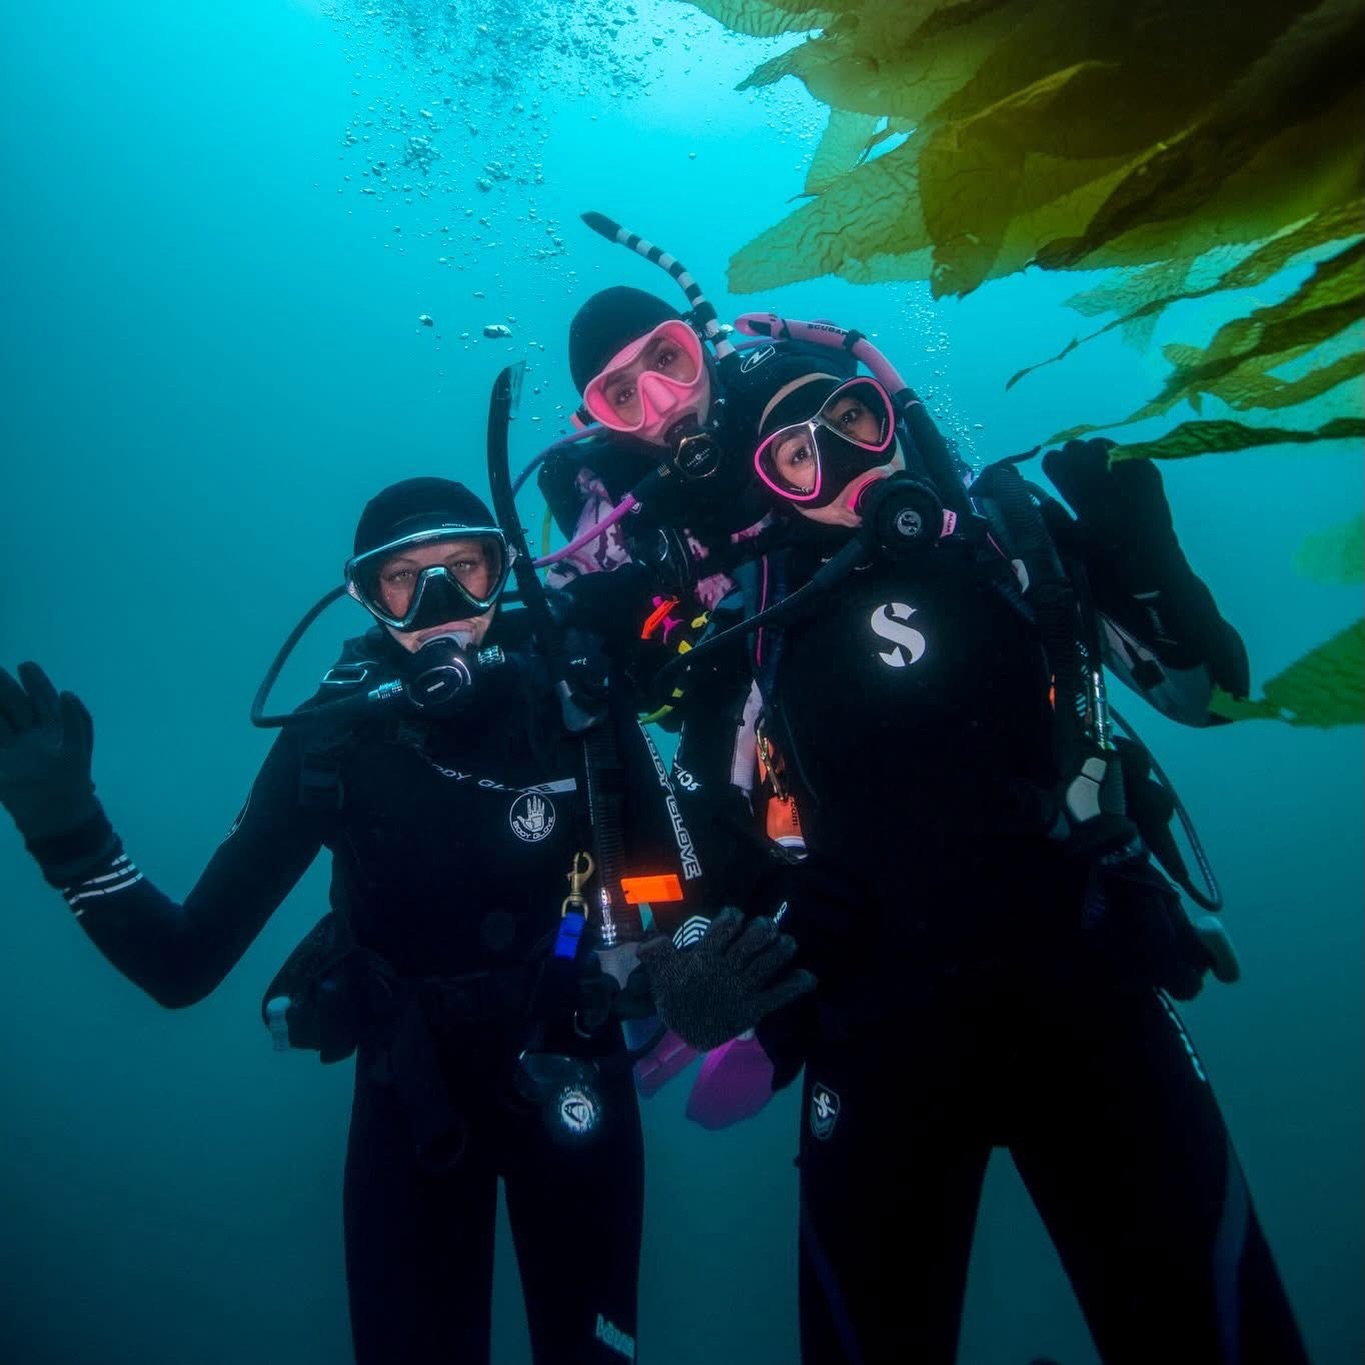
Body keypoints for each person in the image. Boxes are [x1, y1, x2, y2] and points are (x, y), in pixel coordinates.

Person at [0, 473, 807, 1365]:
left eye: (466, 569)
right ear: (365, 594)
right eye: (405, 579)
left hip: (572, 1060)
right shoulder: (332, 737)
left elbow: (670, 892)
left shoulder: (576, 703)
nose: (439, 605)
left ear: (503, 572)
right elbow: (181, 964)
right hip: (408, 1094)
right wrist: (70, 836)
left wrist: (689, 975)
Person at [647, 355, 1313, 1364]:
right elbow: (691, 816)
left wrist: (1150, 553)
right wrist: (693, 956)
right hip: (873, 1030)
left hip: (1091, 992)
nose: (838, 464)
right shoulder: (753, 617)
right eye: (796, 456)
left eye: (851, 420)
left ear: (897, 418)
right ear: (772, 491)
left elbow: (1200, 697)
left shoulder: (1016, 539)